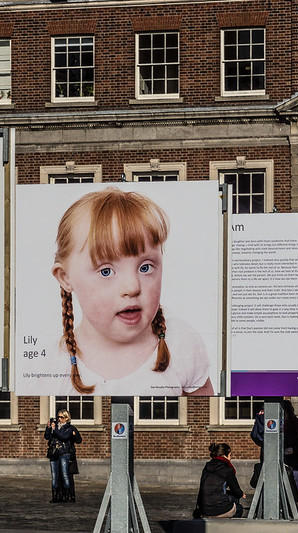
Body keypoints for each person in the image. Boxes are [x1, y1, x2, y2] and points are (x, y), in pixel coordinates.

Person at [50, 187, 213, 396]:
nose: (132, 287)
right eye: (106, 271)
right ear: (65, 277)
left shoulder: (182, 343)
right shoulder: (51, 368)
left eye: (145, 267)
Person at [193, 443, 245, 519]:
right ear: (226, 455)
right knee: (238, 507)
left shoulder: (207, 467)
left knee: (228, 494)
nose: (230, 458)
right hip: (219, 509)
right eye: (230, 455)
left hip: (204, 509)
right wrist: (241, 494)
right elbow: (235, 489)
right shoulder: (227, 468)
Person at [43, 409, 82, 503]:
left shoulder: (69, 428)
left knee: (66, 475)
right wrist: (48, 428)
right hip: (54, 453)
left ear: (66, 418)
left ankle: (68, 496)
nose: (59, 419)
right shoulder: (55, 427)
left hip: (65, 453)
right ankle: (56, 495)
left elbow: (64, 437)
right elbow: (47, 437)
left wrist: (54, 430)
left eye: (61, 417)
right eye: (58, 417)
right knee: (55, 475)